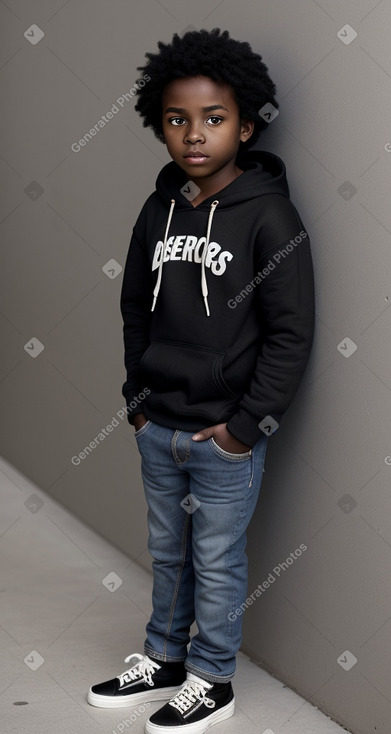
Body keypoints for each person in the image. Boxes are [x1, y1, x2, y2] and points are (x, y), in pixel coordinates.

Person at [87, 27, 315, 734]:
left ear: (245, 125)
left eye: (213, 120)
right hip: (159, 426)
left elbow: (290, 332)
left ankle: (211, 678)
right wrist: (137, 402)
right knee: (167, 552)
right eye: (177, 119)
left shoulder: (269, 214)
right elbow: (133, 306)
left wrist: (244, 430)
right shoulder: (157, 211)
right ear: (158, 124)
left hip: (223, 437)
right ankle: (161, 657)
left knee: (215, 562)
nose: (194, 135)